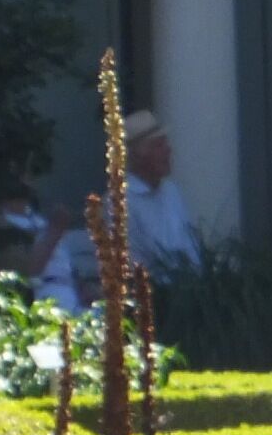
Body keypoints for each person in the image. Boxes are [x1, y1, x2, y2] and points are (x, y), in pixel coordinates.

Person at [32, 109, 202, 310]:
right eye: (158, 145)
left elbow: (189, 246)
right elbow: (132, 266)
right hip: (153, 301)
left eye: (165, 143)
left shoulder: (171, 191)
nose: (168, 150)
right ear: (138, 155)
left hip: (192, 293)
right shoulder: (119, 201)